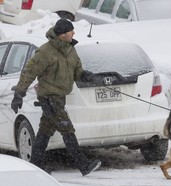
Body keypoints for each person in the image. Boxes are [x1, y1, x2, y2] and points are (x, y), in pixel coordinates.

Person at [11, 19, 102, 176]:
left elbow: (77, 72)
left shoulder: (70, 50)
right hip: (49, 98)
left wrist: (87, 76)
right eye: (70, 31)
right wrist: (19, 93)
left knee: (44, 132)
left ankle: (35, 166)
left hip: (60, 97)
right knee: (67, 129)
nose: (73, 33)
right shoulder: (45, 52)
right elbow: (29, 72)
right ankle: (84, 165)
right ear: (61, 35)